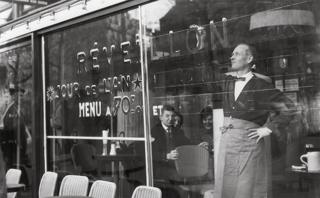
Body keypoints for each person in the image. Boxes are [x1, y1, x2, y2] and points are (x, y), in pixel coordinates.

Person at [214, 43, 296, 198]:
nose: (232, 56)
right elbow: (213, 66)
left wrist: (268, 128)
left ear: (249, 58)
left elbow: (290, 108)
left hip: (248, 145)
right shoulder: (227, 82)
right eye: (232, 54)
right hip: (227, 144)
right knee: (226, 189)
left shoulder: (261, 86)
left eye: (237, 54)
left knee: (247, 190)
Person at [151, 104, 191, 198]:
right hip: (160, 171)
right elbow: (150, 153)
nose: (170, 118)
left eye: (172, 116)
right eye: (167, 116)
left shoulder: (177, 131)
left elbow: (187, 143)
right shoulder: (154, 131)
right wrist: (166, 156)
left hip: (176, 170)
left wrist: (198, 145)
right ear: (161, 117)